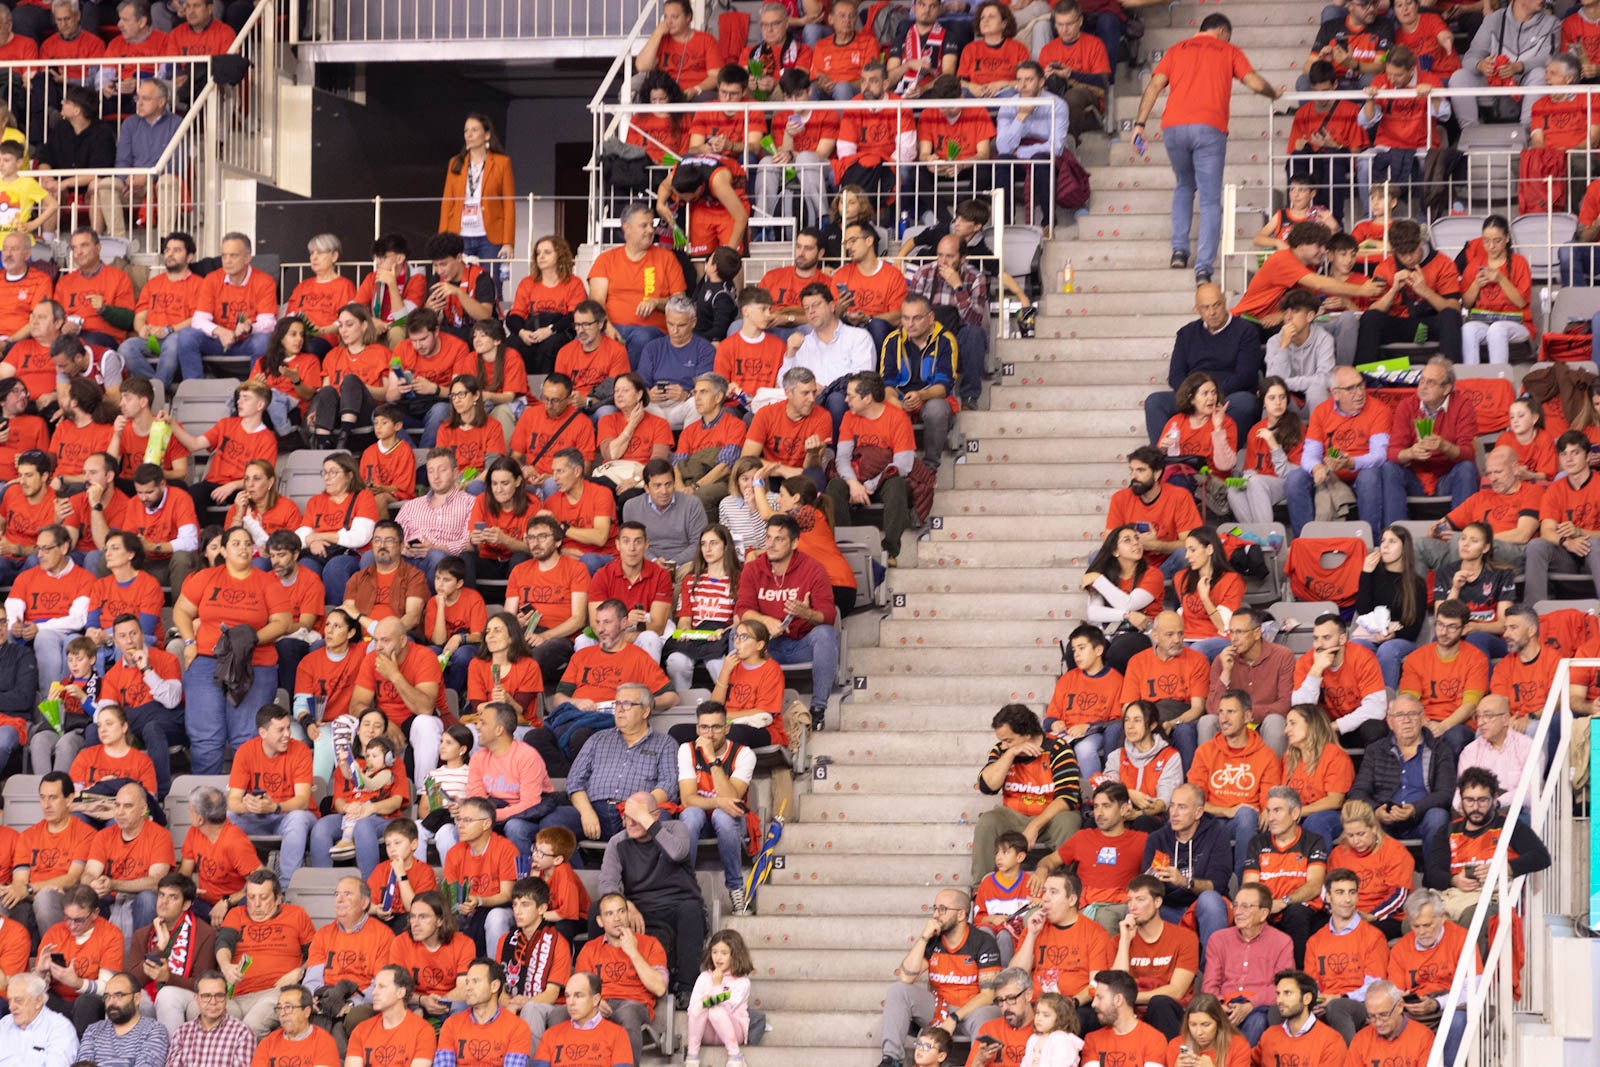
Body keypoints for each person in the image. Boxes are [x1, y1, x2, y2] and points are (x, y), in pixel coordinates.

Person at [1130, 15, 1280, 283]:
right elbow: (1254, 83)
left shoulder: (1176, 49)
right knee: (1210, 199)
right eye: (1228, 36)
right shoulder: (1229, 50)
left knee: (1184, 186)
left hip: (1173, 127)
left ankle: (1178, 251)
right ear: (1222, 30)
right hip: (1209, 128)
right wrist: (1274, 94)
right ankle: (1203, 267)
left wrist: (1140, 124)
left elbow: (1154, 85)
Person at [879, 886, 1002, 1064]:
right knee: (898, 990)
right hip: (938, 1007)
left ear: (961, 915)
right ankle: (891, 1060)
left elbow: (988, 995)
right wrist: (923, 937)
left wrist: (955, 1017)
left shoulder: (983, 941)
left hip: (970, 1010)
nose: (936, 914)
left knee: (988, 1014)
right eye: (935, 908)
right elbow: (906, 977)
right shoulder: (933, 940)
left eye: (942, 909)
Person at [734, 512, 838, 721]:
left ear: (794, 543)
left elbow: (828, 616)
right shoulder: (753, 569)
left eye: (779, 539)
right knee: (738, 635)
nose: (771, 544)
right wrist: (765, 621)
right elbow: (742, 609)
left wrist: (806, 613)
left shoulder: (813, 569)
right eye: (768, 538)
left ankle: (818, 709)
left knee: (825, 634)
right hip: (766, 646)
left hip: (800, 645)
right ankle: (741, 705)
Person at [973, 703, 1083, 883]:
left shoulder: (1058, 749)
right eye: (1002, 740)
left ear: (1027, 734)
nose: (1003, 744)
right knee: (987, 821)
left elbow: (1067, 798)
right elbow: (987, 786)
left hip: (1049, 818)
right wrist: (1010, 754)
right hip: (1012, 815)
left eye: (1009, 740)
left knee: (1070, 820)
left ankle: (1065, 885)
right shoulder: (1002, 750)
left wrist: (1034, 826)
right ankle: (981, 889)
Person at [1426, 767, 1551, 923]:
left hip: (1495, 897)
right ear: (1461, 800)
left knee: (1473, 917)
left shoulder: (1509, 826)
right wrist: (1454, 880)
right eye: (1469, 800)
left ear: (1494, 799)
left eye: (1482, 800)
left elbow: (1541, 857)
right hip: (1454, 894)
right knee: (1414, 921)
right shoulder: (1448, 831)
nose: (1476, 807)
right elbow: (1432, 873)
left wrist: (1502, 869)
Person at [1035, 781, 1149, 935]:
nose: (1099, 813)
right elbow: (1049, 861)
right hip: (1080, 903)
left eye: (1106, 806)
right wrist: (1041, 870)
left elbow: (1158, 875)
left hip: (1117, 905)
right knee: (1032, 917)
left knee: (1105, 918)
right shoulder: (1083, 837)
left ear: (1123, 810)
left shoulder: (1143, 840)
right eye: (1096, 806)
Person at [1188, 689, 1282, 875]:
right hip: (1211, 821)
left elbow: (1267, 800)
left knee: (1246, 815)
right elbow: (1194, 800)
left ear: (1247, 716)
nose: (1223, 718)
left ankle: (1245, 885)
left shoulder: (1266, 756)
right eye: (1221, 712)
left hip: (1247, 824)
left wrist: (1265, 810)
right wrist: (1227, 811)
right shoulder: (1205, 751)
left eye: (1231, 712)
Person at [348, 616, 446, 790]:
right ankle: (356, 788)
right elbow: (356, 706)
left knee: (425, 724)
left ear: (402, 641)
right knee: (345, 722)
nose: (378, 646)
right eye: (376, 640)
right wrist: (384, 723)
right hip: (384, 727)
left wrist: (394, 675)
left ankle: (423, 794)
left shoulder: (424, 657)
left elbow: (425, 708)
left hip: (415, 724)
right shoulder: (371, 659)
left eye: (385, 640)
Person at [1010, 870, 1113, 1033]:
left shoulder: (1095, 933)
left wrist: (1073, 1002)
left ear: (1072, 899)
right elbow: (1016, 976)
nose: (1045, 897)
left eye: (1054, 892)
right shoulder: (1035, 928)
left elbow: (1097, 983)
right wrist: (1031, 935)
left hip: (1075, 1006)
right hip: (1035, 1004)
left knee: (1075, 1019)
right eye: (1045, 891)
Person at [1141, 784, 1232, 964]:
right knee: (1136, 908)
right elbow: (1145, 886)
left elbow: (1218, 885)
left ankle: (1212, 976)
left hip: (1201, 909)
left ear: (1198, 812)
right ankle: (1147, 976)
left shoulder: (1217, 834)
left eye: (1182, 807)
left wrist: (1184, 881)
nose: (1173, 813)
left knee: (1211, 900)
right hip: (1169, 909)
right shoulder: (1157, 838)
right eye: (1172, 805)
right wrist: (1153, 882)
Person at [226, 704, 317, 885]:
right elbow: (232, 801)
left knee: (298, 818)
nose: (287, 734)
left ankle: (286, 886)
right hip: (258, 817)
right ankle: (240, 882)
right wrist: (248, 805)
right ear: (263, 732)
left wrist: (275, 807)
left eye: (288, 728)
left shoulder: (301, 751)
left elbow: (303, 801)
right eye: (280, 730)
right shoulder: (245, 751)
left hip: (289, 816)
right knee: (228, 818)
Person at [1349, 694, 1457, 847]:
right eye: (1399, 715)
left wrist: (1415, 809)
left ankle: (1435, 871)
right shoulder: (1376, 750)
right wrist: (1376, 810)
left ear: (1422, 718)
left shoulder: (1439, 749)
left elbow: (1445, 793)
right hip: (1384, 819)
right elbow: (1358, 791)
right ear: (1390, 722)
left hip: (1421, 817)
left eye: (1412, 714)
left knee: (1438, 816)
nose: (1406, 720)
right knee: (1360, 820)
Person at [573, 893, 668, 1065]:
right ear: (600, 921)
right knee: (561, 1012)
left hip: (634, 1004)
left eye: (621, 911)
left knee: (628, 1011)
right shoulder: (589, 949)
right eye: (609, 914)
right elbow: (578, 989)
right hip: (600, 1003)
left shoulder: (650, 944)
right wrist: (593, 1002)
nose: (617, 918)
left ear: (628, 915)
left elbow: (659, 988)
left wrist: (633, 952)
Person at [170, 232, 277, 380]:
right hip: (217, 342)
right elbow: (198, 320)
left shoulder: (264, 281)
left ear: (247, 258)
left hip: (246, 341)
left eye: (233, 256)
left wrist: (250, 328)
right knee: (187, 336)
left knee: (263, 341)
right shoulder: (212, 279)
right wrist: (220, 332)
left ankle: (254, 391)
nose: (227, 261)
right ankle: (193, 390)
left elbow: (269, 323)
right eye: (224, 255)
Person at [1302, 867, 1392, 1042]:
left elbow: (1375, 987)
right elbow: (1311, 984)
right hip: (1325, 1004)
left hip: (1360, 1004)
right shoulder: (1315, 941)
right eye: (1340, 892)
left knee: (1338, 1007)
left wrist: (1340, 997)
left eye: (1352, 892)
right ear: (1328, 897)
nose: (1347, 899)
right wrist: (1316, 1002)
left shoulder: (1373, 937)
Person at [588, 203, 687, 363]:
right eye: (644, 225)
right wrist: (606, 326)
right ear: (626, 228)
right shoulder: (606, 260)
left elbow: (680, 303)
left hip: (651, 331)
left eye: (651, 225)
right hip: (612, 327)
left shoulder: (667, 258)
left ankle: (631, 385)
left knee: (641, 338)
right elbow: (596, 302)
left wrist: (657, 302)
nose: (651, 230)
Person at [1355, 219, 1463, 364]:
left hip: (1430, 323)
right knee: (1370, 318)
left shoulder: (1443, 263)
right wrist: (1393, 290)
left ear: (1420, 244)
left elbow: (1454, 308)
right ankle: (1365, 377)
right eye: (1402, 254)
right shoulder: (1385, 267)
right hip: (1400, 324)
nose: (1408, 258)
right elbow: (1372, 310)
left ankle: (1451, 374)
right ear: (1394, 252)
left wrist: (1425, 291)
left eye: (1412, 252)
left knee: (1450, 316)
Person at [1239, 787, 1326, 966]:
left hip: (1301, 911)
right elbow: (1249, 886)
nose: (1270, 817)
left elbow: (1314, 885)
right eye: (1269, 811)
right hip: (1267, 910)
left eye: (1277, 811)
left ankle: (1297, 978)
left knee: (1296, 912)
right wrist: (1265, 906)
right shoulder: (1257, 843)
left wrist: (1283, 902)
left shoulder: (1313, 841)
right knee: (1247, 913)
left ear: (1295, 813)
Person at [1386, 889, 1475, 1064]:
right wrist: (1401, 999)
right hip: (1416, 1010)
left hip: (1450, 1004)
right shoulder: (1400, 948)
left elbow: (1473, 987)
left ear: (1441, 918)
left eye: (1427, 925)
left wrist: (1436, 1004)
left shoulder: (1461, 938)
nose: (1421, 932)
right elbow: (1394, 990)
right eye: (1416, 926)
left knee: (1457, 1021)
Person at [1198, 883, 1293, 1043]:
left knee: (1258, 1021)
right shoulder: (1218, 939)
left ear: (1263, 914)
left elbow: (1283, 987)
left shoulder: (1282, 942)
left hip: (1258, 1007)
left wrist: (1250, 1005)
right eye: (1236, 906)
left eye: (1246, 907)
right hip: (1224, 1005)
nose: (1238, 912)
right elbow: (1209, 985)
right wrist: (1220, 1005)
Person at [83, 779, 172, 946]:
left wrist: (114, 884)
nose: (120, 812)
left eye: (128, 806)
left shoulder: (160, 836)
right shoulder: (103, 836)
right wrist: (93, 884)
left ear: (143, 809)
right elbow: (88, 873)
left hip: (140, 898)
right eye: (117, 805)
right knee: (87, 894)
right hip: (109, 897)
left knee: (147, 898)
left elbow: (155, 882)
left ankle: (140, 959)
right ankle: (95, 956)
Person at [786, 281, 877, 437]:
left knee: (836, 400)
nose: (811, 312)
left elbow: (863, 382)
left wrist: (827, 389)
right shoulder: (802, 344)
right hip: (810, 404)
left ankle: (833, 458)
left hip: (846, 404)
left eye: (816, 305)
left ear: (832, 306)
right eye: (806, 308)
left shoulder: (858, 337)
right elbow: (784, 385)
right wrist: (790, 354)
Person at [1112, 877, 1199, 1040]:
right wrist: (1125, 941)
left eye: (1140, 900)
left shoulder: (1185, 938)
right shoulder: (1119, 941)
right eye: (1130, 900)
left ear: (1157, 902)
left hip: (1171, 1013)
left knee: (1160, 1003)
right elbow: (1116, 985)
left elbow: (1176, 991)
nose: (1132, 906)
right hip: (1130, 1013)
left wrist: (1131, 997)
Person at [1397, 600, 1488, 755]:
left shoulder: (1477, 659)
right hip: (1423, 721)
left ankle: (1448, 780)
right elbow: (1408, 699)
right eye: (1440, 624)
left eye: (1452, 626)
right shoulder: (1416, 658)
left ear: (1464, 629)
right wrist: (1423, 722)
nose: (1443, 632)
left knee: (1455, 737)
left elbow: (1470, 705)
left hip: (1459, 724)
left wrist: (1443, 726)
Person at [1120, 611, 1209, 767]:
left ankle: (1188, 786)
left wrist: (1173, 723)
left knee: (1184, 732)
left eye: (1180, 634)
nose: (1177, 640)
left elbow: (1198, 708)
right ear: (1155, 636)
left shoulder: (1197, 660)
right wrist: (1140, 724)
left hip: (1183, 716)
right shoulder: (1138, 661)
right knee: (1119, 729)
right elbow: (1128, 706)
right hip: (1148, 716)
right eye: (1170, 635)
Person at [879, 293, 956, 471]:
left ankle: (930, 468)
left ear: (930, 318)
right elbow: (887, 383)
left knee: (937, 409)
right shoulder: (892, 341)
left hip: (930, 396)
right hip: (899, 397)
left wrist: (921, 395)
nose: (910, 324)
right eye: (905, 318)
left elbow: (943, 386)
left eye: (916, 318)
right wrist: (895, 402)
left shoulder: (945, 341)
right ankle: (896, 468)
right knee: (883, 407)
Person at [1449, 0, 1556, 128]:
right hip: (1494, 82)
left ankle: (1527, 131)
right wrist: (1480, 65)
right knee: (1459, 77)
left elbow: (1548, 59)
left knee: (1540, 74)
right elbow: (1471, 56)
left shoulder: (1551, 22)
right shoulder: (1494, 19)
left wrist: (1518, 67)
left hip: (1525, 82)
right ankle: (1470, 132)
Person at [133, 873, 217, 1032]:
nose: (164, 902)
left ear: (186, 904)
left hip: (187, 994)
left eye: (173, 897)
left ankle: (173, 1054)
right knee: (130, 998)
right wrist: (160, 947)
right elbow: (132, 981)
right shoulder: (142, 934)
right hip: (152, 992)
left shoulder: (205, 933)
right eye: (161, 895)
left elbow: (203, 983)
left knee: (167, 995)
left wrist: (167, 978)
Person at [37, 882, 124, 1034]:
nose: (71, 925)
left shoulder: (111, 935)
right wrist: (40, 974)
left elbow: (108, 988)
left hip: (91, 1002)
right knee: (38, 998)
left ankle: (83, 1054)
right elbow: (36, 987)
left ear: (95, 913)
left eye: (78, 920)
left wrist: (77, 983)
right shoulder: (55, 932)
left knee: (86, 1002)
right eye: (67, 918)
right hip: (58, 998)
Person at [1106, 447, 1202, 582]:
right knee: (1097, 557)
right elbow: (1109, 540)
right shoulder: (1120, 498)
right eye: (1131, 470)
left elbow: (1191, 543)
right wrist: (1135, 543)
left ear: (1156, 474)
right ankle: (1114, 602)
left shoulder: (1179, 496)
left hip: (1165, 565)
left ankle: (1180, 603)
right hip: (1130, 567)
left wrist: (1156, 546)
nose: (1133, 476)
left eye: (1140, 470)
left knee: (1184, 555)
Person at [1526, 430, 1600, 601]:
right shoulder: (1554, 490)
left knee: (1595, 544)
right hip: (1567, 556)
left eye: (1575, 453)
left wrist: (1579, 533)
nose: (1569, 459)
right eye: (1564, 454)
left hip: (1595, 553)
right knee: (1536, 545)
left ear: (1588, 457)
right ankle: (1533, 616)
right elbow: (1547, 530)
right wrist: (1567, 542)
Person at [1291, 614, 1388, 744]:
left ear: (1342, 639)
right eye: (1315, 639)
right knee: (1301, 729)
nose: (1319, 645)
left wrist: (1337, 726)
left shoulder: (1363, 658)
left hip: (1356, 725)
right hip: (1322, 729)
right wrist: (1315, 671)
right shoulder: (1306, 662)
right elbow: (1300, 711)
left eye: (1326, 638)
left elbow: (1376, 708)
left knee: (1375, 728)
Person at [1045, 625, 1125, 778]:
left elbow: (1116, 721)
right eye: (1074, 650)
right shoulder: (1068, 678)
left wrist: (1088, 727)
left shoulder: (1116, 680)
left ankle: (1096, 793)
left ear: (1098, 650)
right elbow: (1049, 718)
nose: (1076, 655)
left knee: (1085, 749)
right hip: (1066, 734)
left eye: (1081, 648)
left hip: (1096, 733)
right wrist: (1054, 723)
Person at [1206, 606, 1292, 748]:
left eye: (1239, 632)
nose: (1233, 638)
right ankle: (1209, 770)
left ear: (1257, 633)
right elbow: (1213, 709)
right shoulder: (1221, 660)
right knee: (1207, 722)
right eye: (1231, 632)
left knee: (1275, 721)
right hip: (1231, 725)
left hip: (1265, 723)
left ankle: (1273, 770)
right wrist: (1226, 673)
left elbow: (1284, 705)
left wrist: (1244, 714)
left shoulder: (1283, 656)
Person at [441, 113, 515, 274]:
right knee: (458, 282)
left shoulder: (502, 163)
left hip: (490, 237)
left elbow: (508, 204)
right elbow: (447, 203)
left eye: (474, 130)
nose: (469, 134)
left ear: (487, 135)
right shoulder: (455, 163)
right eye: (466, 130)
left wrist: (508, 242)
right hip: (459, 234)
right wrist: (443, 240)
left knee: (491, 282)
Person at [176, 785, 260, 925]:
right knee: (175, 897)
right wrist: (187, 888)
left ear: (200, 819)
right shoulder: (194, 832)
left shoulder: (236, 841)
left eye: (191, 810)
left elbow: (260, 883)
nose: (189, 812)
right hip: (204, 904)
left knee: (250, 903)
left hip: (232, 906)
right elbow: (185, 871)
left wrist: (226, 902)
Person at [1280, 704, 1353, 847]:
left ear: (1312, 724)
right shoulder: (1288, 758)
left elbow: (1334, 801)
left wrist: (1297, 812)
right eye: (1286, 724)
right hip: (1298, 815)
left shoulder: (1335, 756)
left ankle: (1319, 868)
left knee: (1315, 822)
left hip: (1331, 815)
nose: (1286, 730)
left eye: (1292, 723)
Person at [530, 970, 633, 1067]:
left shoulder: (618, 1034)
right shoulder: (550, 1035)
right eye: (567, 996)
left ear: (595, 1000)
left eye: (578, 996)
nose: (570, 1002)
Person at [1455, 694, 1536, 812]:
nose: (1480, 722)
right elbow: (1460, 789)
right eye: (1478, 716)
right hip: (1478, 812)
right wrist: (1460, 804)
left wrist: (1497, 803)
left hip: (1517, 812)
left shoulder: (1527, 746)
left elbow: (1530, 792)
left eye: (1488, 716)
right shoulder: (1470, 751)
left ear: (1506, 719)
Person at [342, 965, 436, 1067]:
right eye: (375, 987)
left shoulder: (423, 1031)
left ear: (400, 992)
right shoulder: (360, 1030)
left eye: (382, 987)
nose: (374, 992)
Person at [1254, 971, 1347, 1067]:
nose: (1279, 1000)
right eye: (1278, 994)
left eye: (1287, 993)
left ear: (1307, 998)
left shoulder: (1331, 1042)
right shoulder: (1269, 1035)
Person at [1081, 969, 1171, 1067]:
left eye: (1100, 997)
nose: (1093, 1004)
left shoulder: (1154, 1039)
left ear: (1118, 1000)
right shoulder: (1092, 1040)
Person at [76, 971, 168, 1066]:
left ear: (136, 998)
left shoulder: (154, 1030)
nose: (111, 1002)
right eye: (107, 996)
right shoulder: (93, 1030)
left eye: (119, 995)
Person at [166, 972, 253, 1065]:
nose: (213, 1002)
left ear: (227, 997)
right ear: (196, 998)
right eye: (206, 996)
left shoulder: (242, 1033)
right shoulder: (182, 1032)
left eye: (219, 995)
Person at [1346, 980, 1435, 1067]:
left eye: (1384, 1015)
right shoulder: (1360, 1040)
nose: (1378, 1023)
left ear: (1400, 1006)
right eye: (1372, 1016)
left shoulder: (1423, 1037)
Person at [967, 968, 1038, 1067]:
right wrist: (978, 1062)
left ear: (1028, 995)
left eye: (1011, 998)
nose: (1005, 1007)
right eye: (1000, 1000)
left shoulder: (1046, 1030)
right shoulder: (989, 1029)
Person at [0, 974, 76, 1066]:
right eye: (9, 1000)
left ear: (38, 1001)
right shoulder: (4, 1024)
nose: (11, 1007)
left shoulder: (60, 1028)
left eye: (18, 1000)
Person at [250, 985, 335, 1067]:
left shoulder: (323, 1041)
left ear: (306, 1012)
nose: (282, 1013)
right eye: (279, 1008)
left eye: (288, 1007)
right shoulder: (267, 1043)